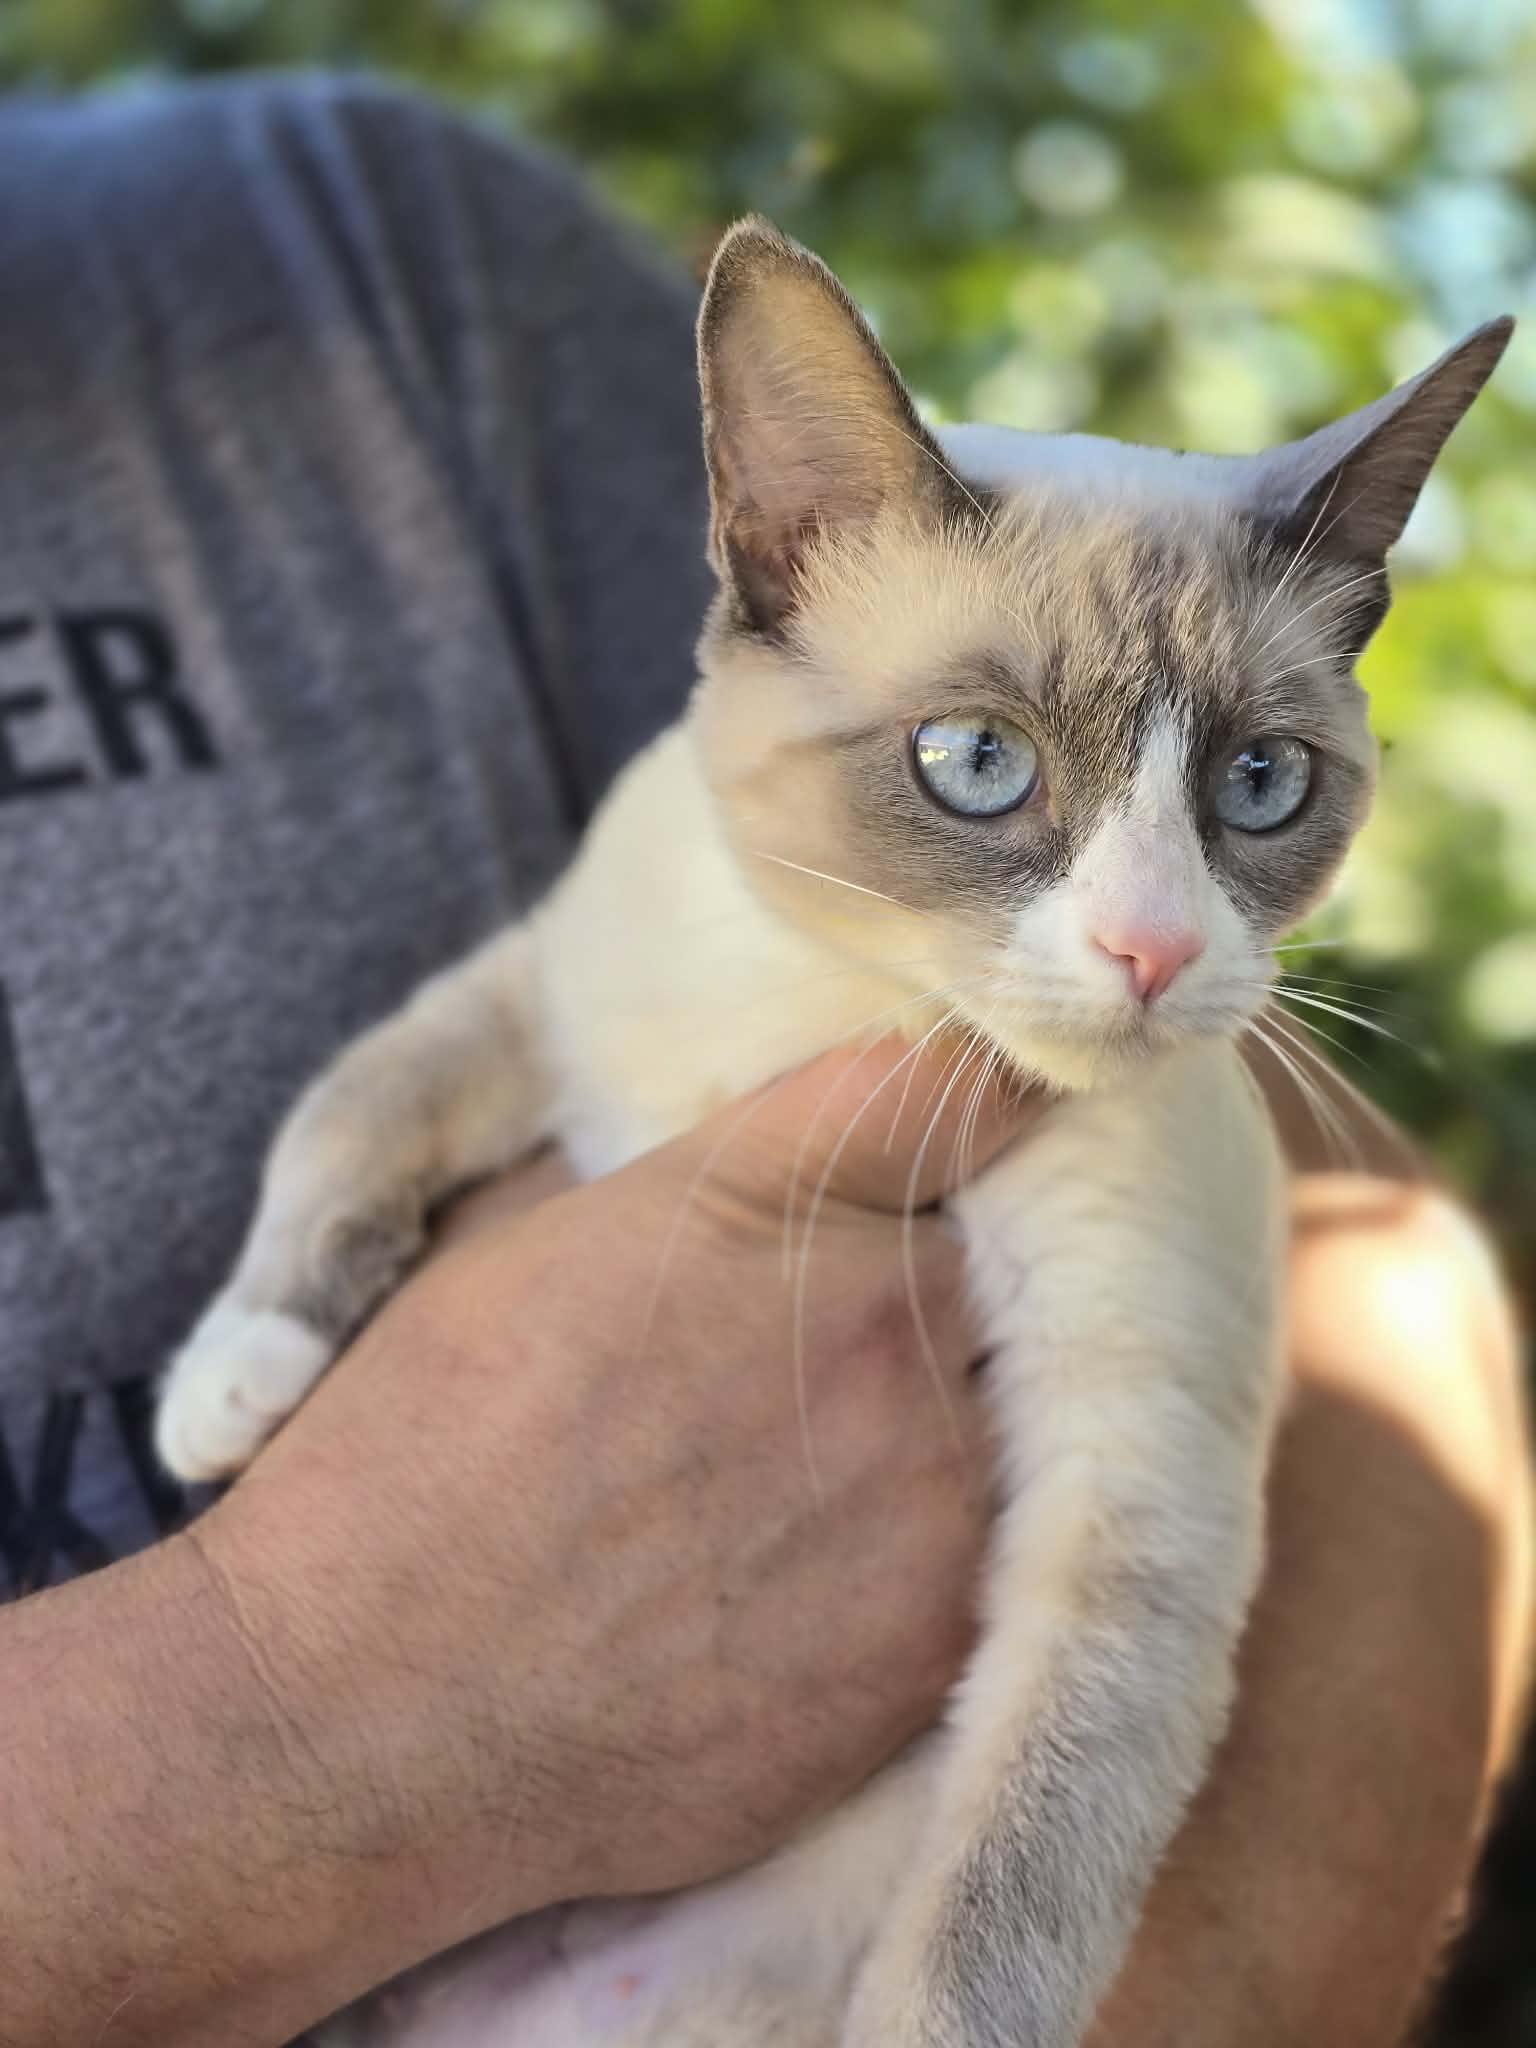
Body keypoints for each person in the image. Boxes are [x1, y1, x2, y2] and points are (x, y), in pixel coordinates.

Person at [0, 75, 1526, 2048]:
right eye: (984, 768)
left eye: (1263, 787)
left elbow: (1362, 1261)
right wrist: (295, 1693)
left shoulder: (370, 261)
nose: (1157, 932)